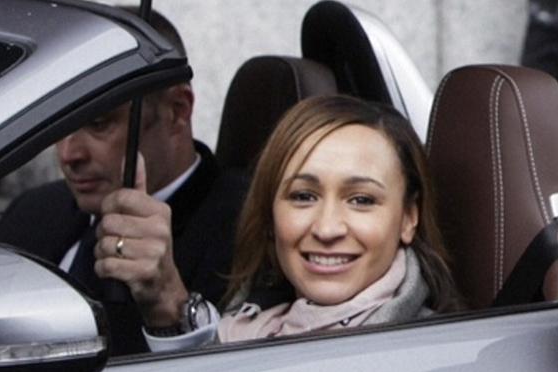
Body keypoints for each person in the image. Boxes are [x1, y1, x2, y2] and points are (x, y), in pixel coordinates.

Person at [99, 94, 461, 350]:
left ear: (408, 218)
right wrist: (165, 298)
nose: (326, 228)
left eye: (361, 200)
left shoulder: (432, 360)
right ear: (271, 216)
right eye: (303, 196)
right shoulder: (247, 329)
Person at [0, 11, 245, 357]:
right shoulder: (32, 214)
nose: (68, 153)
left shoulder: (248, 230)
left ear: (176, 112)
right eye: (56, 124)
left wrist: (170, 305)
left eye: (98, 123)